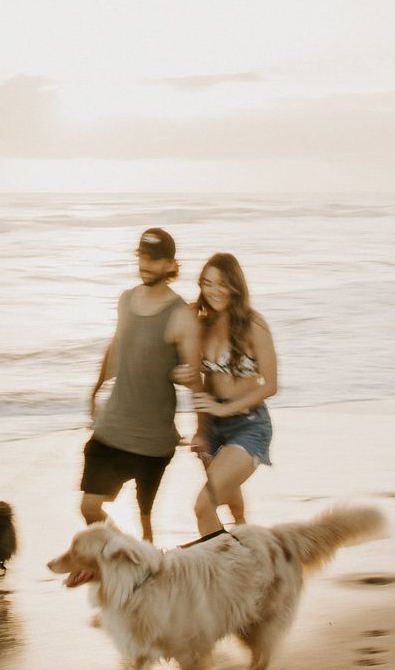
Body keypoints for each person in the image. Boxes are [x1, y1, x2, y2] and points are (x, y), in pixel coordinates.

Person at [80, 228, 201, 543]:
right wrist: (95, 390)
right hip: (113, 427)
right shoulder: (126, 299)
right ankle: (129, 553)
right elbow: (116, 347)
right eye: (142, 257)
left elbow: (195, 379)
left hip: (152, 439)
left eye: (154, 259)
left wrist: (202, 429)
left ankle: (141, 559)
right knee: (90, 508)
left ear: (170, 264)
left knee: (145, 521)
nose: (145, 264)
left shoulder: (180, 316)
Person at [174, 253, 277, 536]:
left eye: (221, 284)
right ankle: (242, 539)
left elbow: (270, 385)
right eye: (207, 283)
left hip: (249, 424)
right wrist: (200, 426)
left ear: (235, 285)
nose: (214, 291)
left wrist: (224, 410)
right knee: (231, 504)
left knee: (203, 506)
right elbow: (200, 382)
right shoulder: (202, 325)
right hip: (213, 425)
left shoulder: (254, 325)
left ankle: (224, 565)